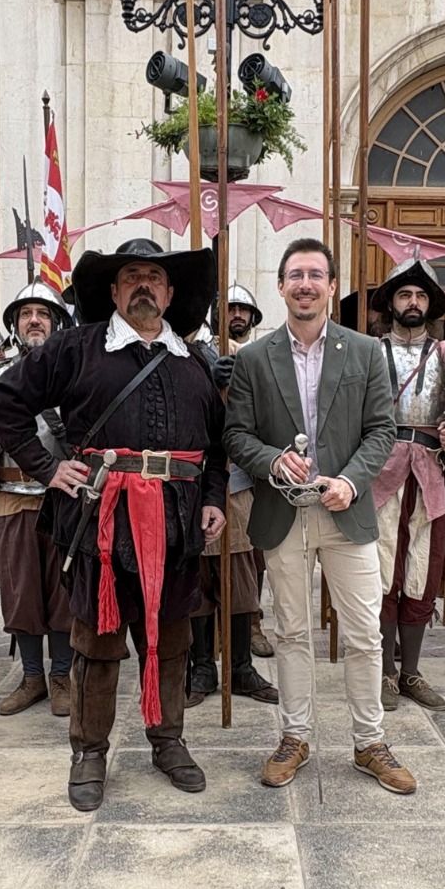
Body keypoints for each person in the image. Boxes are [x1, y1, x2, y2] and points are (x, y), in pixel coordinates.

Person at [0, 238, 227, 813]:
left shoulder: (195, 362)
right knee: (96, 641)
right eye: (132, 277)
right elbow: (5, 401)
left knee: (171, 641)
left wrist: (214, 498)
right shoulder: (75, 348)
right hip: (101, 521)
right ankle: (89, 751)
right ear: (114, 291)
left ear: (170, 293)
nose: (144, 285)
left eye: (155, 277)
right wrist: (48, 467)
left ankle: (167, 741)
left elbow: (216, 446)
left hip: (178, 526)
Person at [224, 237, 411, 793]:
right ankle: (295, 736)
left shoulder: (364, 352)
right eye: (295, 275)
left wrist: (352, 482)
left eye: (316, 275)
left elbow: (382, 430)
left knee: (363, 634)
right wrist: (272, 460)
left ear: (331, 286)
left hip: (345, 513)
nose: (305, 284)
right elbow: (236, 435)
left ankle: (370, 742)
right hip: (283, 514)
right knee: (290, 632)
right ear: (281, 286)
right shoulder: (254, 359)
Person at [370, 255, 445, 712]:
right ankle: (382, 673)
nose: (413, 302)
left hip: (430, 475)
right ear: (391, 303)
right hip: (379, 475)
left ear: (431, 303)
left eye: (420, 295)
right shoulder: (369, 351)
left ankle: (411, 671)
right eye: (404, 294)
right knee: (381, 573)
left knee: (421, 572)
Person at [0, 280, 76, 717]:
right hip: (11, 494)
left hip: (64, 493)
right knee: (20, 588)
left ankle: (61, 675)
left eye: (42, 312)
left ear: (56, 322)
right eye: (25, 313)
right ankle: (33, 675)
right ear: (15, 325)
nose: (34, 320)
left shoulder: (75, 371)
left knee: (61, 589)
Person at [186, 283, 278, 707]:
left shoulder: (263, 356)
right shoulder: (189, 348)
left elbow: (270, 413)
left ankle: (239, 667)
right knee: (198, 580)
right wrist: (208, 377)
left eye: (244, 308)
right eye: (231, 308)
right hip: (192, 480)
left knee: (240, 580)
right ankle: (202, 666)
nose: (237, 315)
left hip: (237, 482)